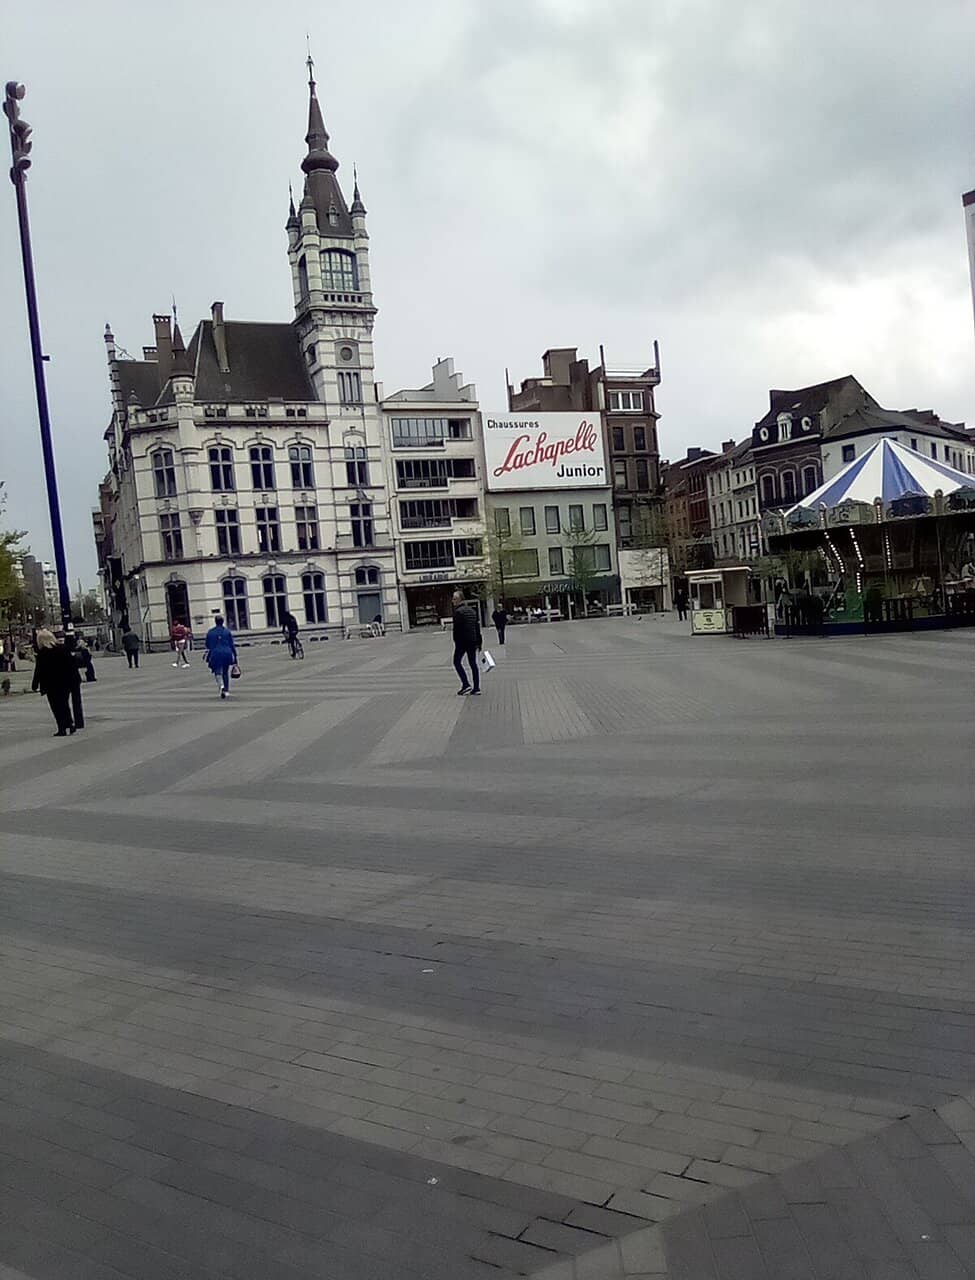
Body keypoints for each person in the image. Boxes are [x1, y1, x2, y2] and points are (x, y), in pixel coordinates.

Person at [31, 629, 78, 736]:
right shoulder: (63, 649)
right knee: (64, 704)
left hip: (51, 684)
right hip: (65, 682)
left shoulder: (43, 653)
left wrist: (35, 684)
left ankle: (62, 727)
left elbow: (39, 670)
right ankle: (70, 724)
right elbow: (71, 665)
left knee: (56, 706)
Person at [451, 590, 482, 696]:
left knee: (456, 662)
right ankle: (476, 688)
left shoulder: (458, 612)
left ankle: (465, 684)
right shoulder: (472, 611)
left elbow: (457, 629)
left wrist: (456, 641)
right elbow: (477, 627)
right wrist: (479, 642)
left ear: (460, 599)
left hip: (462, 641)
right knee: (473, 664)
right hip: (473, 641)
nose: (452, 601)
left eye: (454, 599)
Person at [205, 614, 238, 699]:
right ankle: (226, 690)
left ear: (215, 622)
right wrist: (235, 657)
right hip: (227, 653)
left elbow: (207, 645)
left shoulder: (210, 632)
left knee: (217, 671)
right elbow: (232, 645)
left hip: (215, 654)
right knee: (225, 672)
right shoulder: (227, 631)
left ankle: (221, 686)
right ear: (223, 622)